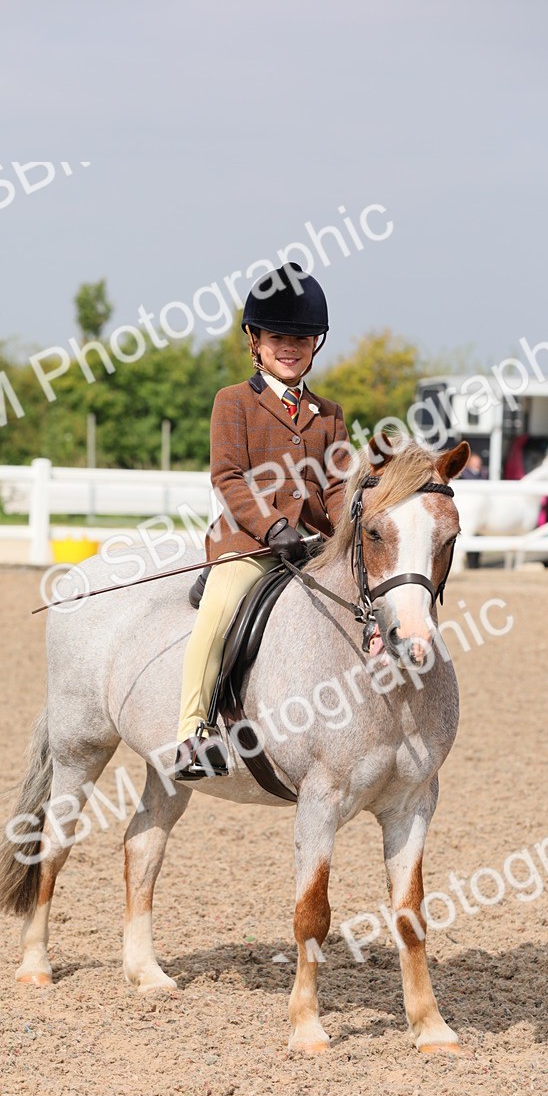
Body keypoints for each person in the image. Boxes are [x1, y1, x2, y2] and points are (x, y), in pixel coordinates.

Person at [174, 263, 350, 779]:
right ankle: (191, 732)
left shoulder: (330, 413)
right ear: (254, 339)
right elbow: (228, 477)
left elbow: (338, 486)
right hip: (248, 543)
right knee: (221, 607)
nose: (289, 346)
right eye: (277, 336)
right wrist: (274, 528)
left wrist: (344, 537)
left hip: (314, 544)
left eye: (300, 337)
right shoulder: (233, 402)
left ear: (315, 343)